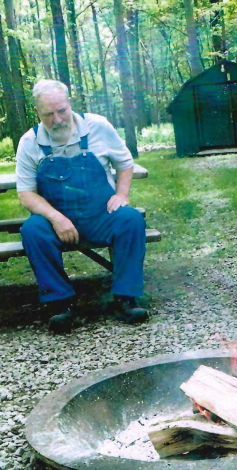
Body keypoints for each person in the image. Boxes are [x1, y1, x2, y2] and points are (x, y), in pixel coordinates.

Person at [16, 79, 148, 333]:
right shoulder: (29, 142)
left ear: (70, 104)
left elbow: (125, 162)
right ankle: (59, 304)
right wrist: (55, 217)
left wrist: (122, 194)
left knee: (130, 219)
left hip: (99, 215)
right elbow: (26, 194)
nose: (57, 119)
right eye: (48, 114)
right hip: (59, 221)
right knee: (33, 230)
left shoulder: (98, 126)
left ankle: (126, 298)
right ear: (37, 113)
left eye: (61, 111)